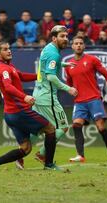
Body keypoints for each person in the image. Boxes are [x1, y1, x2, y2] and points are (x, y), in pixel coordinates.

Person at [0, 41, 58, 170]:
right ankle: (49, 164)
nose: (9, 51)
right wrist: (24, 97)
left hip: (10, 114)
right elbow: (7, 87)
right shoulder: (3, 69)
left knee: (25, 148)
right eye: (5, 49)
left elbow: (22, 76)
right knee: (51, 129)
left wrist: (40, 76)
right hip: (20, 112)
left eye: (9, 48)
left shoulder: (9, 67)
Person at [65, 36, 107, 162]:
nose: (78, 45)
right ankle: (80, 155)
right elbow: (69, 81)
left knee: (100, 127)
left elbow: (106, 74)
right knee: (76, 125)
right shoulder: (68, 65)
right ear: (72, 46)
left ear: (84, 46)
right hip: (79, 101)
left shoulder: (92, 60)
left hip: (94, 98)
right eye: (76, 43)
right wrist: (69, 89)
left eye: (81, 43)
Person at [31, 25, 78, 164]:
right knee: (62, 127)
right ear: (54, 38)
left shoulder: (48, 48)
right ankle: (42, 154)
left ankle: (20, 154)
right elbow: (51, 77)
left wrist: (64, 64)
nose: (65, 39)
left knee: (37, 129)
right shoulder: (54, 53)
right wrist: (68, 88)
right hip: (48, 97)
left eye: (66, 36)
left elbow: (47, 65)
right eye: (62, 36)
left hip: (37, 94)